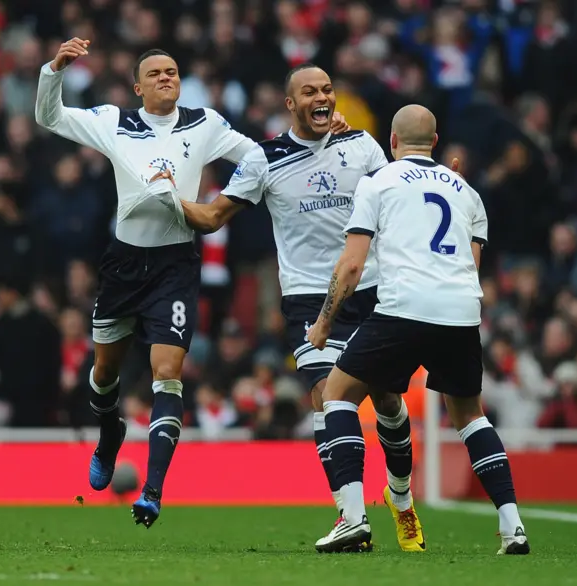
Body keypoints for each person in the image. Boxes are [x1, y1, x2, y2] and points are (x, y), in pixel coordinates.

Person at [34, 39, 349, 528]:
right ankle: (109, 430)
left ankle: (153, 490)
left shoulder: (205, 123)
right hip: (123, 264)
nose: (166, 78)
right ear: (138, 86)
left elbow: (263, 156)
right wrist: (55, 69)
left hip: (175, 265)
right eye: (156, 73)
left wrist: (324, 136)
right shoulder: (115, 122)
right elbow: (49, 117)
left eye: (174, 71)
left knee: (168, 372)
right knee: (103, 377)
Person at [178, 64, 424, 552]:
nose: (321, 96)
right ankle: (352, 517)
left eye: (327, 89)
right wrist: (165, 195)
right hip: (309, 297)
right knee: (325, 395)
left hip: (374, 290)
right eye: (309, 90)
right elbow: (213, 217)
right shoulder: (264, 159)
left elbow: (402, 202)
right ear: (290, 104)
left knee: (389, 403)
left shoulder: (363, 147)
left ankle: (401, 501)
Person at [307, 105, 530, 555]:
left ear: (391, 142)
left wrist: (323, 323)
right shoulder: (466, 191)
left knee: (337, 393)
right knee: (470, 416)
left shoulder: (379, 182)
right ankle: (513, 527)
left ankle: (352, 519)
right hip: (461, 310)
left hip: (404, 307)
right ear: (436, 140)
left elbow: (352, 264)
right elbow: (471, 264)